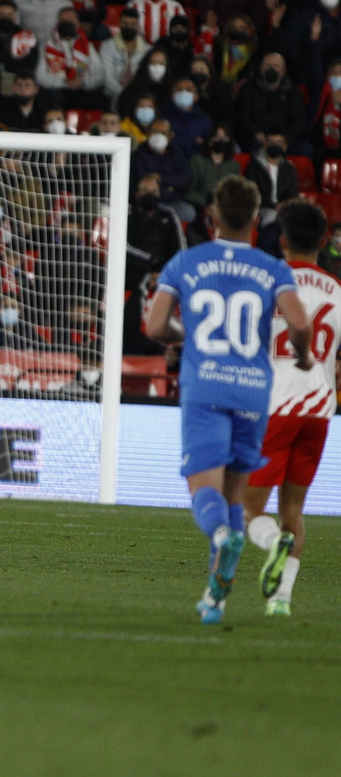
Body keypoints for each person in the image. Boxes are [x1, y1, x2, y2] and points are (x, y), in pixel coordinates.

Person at [143, 176, 312, 625]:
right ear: (258, 218)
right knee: (236, 496)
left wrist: (186, 337)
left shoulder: (186, 262)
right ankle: (215, 600)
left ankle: (221, 535)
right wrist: (303, 355)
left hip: (206, 389)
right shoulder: (274, 267)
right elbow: (299, 323)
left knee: (205, 493)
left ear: (212, 216)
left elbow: (155, 326)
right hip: (253, 391)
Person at [242, 200, 341, 617]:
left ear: (281, 240)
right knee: (293, 509)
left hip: (277, 403)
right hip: (320, 408)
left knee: (246, 508)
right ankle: (281, 600)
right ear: (324, 241)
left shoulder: (271, 282)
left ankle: (272, 543)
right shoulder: (338, 291)